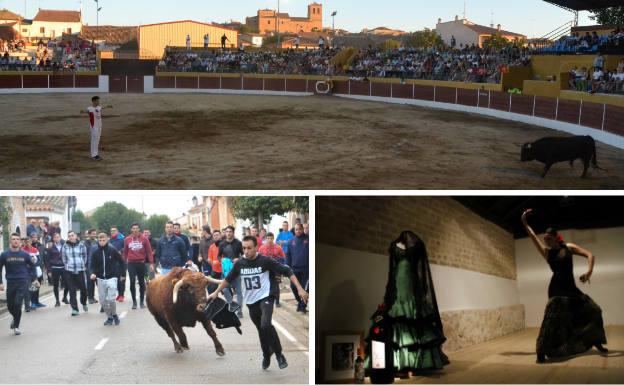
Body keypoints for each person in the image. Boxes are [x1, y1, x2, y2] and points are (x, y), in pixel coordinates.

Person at [208, 236, 309, 370]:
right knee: (261, 330)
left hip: (266, 296)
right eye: (244, 248)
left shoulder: (265, 261)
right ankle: (266, 355)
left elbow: (287, 270)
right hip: (251, 301)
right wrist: (216, 292)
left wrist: (301, 289)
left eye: (249, 248)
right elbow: (228, 279)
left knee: (266, 324)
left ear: (256, 247)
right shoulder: (239, 264)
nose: (246, 251)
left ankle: (279, 355)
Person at [521, 209, 608, 363]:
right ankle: (541, 351)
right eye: (545, 238)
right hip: (556, 290)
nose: (546, 241)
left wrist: (589, 272)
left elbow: (589, 255)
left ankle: (595, 340)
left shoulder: (568, 247)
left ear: (555, 237)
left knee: (594, 310)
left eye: (548, 238)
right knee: (551, 320)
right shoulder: (547, 253)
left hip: (571, 289)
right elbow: (533, 236)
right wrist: (525, 222)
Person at [0, 233, 38, 335]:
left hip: (23, 281)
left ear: (20, 242)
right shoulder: (4, 255)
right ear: (10, 241)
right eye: (13, 239)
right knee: (10, 306)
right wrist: (0, 283)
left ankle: (16, 326)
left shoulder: (25, 254)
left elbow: (33, 265)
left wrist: (34, 279)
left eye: (17, 239)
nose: (16, 241)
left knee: (17, 303)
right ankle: (15, 317)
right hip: (11, 282)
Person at [90, 232, 126, 326]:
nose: (102, 242)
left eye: (104, 240)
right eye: (100, 240)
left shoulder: (112, 250)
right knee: (102, 301)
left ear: (107, 240)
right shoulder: (95, 252)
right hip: (100, 279)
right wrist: (93, 273)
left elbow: (122, 261)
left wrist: (123, 274)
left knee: (111, 299)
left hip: (112, 278)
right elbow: (92, 265)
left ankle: (114, 314)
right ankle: (109, 317)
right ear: (98, 241)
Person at [123, 223, 154, 309]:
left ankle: (141, 302)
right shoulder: (127, 239)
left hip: (141, 263)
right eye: (133, 228)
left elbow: (149, 251)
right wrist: (123, 263)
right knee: (132, 281)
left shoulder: (144, 239)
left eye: (137, 228)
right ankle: (134, 302)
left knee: (141, 282)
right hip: (131, 264)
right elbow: (125, 252)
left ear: (139, 229)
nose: (135, 230)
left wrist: (151, 263)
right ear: (131, 230)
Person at [218, 225, 244, 318]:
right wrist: (222, 261)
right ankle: (231, 304)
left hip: (236, 271)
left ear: (233, 233)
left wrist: (239, 259)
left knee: (239, 291)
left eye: (230, 232)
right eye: (227, 232)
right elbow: (218, 256)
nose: (228, 233)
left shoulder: (238, 243)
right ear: (225, 233)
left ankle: (240, 310)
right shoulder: (222, 244)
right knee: (224, 289)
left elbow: (244, 255)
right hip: (226, 272)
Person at [62, 231, 89, 316]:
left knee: (83, 289)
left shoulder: (81, 245)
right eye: (69, 236)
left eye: (72, 235)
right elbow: (64, 258)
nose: (71, 237)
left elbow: (85, 256)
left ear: (76, 236)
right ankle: (75, 309)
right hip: (69, 271)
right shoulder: (65, 246)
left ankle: (83, 302)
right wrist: (67, 265)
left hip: (80, 270)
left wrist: (82, 264)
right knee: (72, 290)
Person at [79, 96, 112, 161]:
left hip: (99, 126)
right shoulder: (90, 108)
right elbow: (86, 111)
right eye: (97, 101)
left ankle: (95, 154)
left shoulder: (99, 107)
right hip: (94, 127)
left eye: (98, 101)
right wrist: (83, 111)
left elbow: (102, 108)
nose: (98, 102)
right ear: (93, 101)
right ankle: (94, 155)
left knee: (97, 140)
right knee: (94, 140)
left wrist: (107, 106)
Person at [286, 223, 309, 313]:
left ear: (303, 229)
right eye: (296, 229)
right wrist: (287, 268)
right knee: (293, 287)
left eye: (300, 229)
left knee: (304, 288)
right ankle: (300, 302)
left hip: (306, 269)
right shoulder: (291, 241)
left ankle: (303, 306)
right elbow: (288, 256)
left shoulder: (309, 239)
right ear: (294, 231)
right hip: (294, 269)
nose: (298, 231)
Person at [258, 232, 285, 307]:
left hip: (276, 269)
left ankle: (277, 302)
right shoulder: (262, 248)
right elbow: (258, 259)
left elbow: (283, 257)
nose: (269, 240)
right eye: (268, 238)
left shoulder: (278, 247)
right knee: (266, 285)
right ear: (266, 239)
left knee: (276, 285)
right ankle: (267, 300)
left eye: (271, 238)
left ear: (273, 238)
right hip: (265, 270)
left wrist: (282, 268)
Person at [44, 232, 66, 306]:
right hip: (54, 268)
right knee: (56, 285)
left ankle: (65, 297)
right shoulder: (50, 247)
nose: (56, 238)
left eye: (58, 237)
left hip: (63, 267)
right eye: (55, 237)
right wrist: (49, 270)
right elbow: (47, 260)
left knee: (68, 283)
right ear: (53, 239)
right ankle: (57, 301)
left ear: (60, 238)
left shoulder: (64, 246)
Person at [109, 227, 126, 302]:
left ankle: (121, 295)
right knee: (114, 280)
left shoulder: (122, 239)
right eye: (111, 231)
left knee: (121, 279)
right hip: (112, 263)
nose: (112, 232)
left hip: (121, 262)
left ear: (117, 231)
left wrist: (120, 251)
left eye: (114, 231)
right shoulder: (109, 240)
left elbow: (126, 248)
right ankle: (118, 294)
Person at [83, 229, 99, 304]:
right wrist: (85, 265)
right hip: (89, 264)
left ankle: (93, 296)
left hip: (97, 264)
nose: (94, 235)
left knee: (97, 281)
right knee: (90, 282)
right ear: (89, 234)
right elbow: (84, 254)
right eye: (93, 234)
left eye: (95, 234)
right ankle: (90, 297)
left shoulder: (97, 241)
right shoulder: (85, 243)